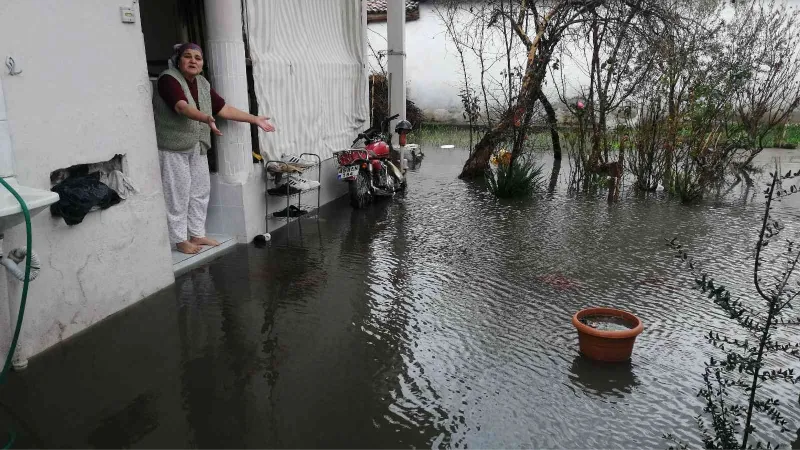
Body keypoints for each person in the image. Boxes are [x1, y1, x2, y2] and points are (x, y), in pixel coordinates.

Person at [153, 43, 274, 254]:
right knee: (177, 194)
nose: (193, 61)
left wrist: (254, 119)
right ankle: (179, 239)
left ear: (202, 63)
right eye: (188, 57)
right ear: (179, 60)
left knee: (200, 191)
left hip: (197, 145)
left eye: (197, 58)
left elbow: (223, 108)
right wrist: (205, 117)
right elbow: (181, 106)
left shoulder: (201, 82)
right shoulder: (168, 79)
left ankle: (197, 234)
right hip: (173, 147)